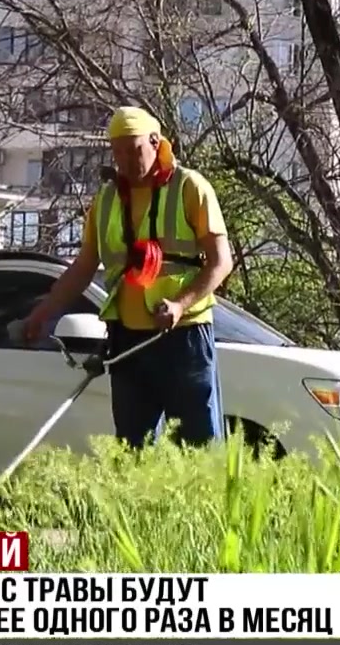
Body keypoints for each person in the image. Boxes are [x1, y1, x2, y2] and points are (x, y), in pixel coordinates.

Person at [22, 106, 234, 449]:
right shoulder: (105, 200)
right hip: (128, 341)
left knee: (199, 447)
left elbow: (221, 263)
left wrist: (180, 305)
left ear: (156, 143)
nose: (125, 160)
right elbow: (82, 268)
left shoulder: (190, 187)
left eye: (134, 150)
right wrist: (43, 313)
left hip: (184, 337)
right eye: (118, 152)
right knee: (132, 449)